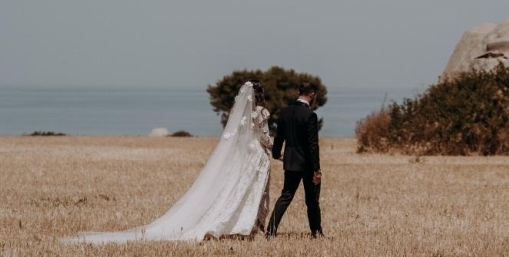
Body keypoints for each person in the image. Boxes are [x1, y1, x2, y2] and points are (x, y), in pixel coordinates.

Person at [63, 81, 273, 244]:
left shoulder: (239, 112)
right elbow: (264, 136)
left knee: (235, 188)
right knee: (251, 190)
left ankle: (235, 223)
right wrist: (275, 148)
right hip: (255, 154)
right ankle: (248, 225)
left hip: (241, 154)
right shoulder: (262, 112)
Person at [266, 82, 323, 238]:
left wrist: (277, 154)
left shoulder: (285, 112)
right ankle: (316, 232)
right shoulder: (310, 115)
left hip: (290, 162)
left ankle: (270, 231)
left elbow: (278, 138)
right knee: (312, 200)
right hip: (307, 164)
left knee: (285, 196)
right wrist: (316, 169)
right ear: (312, 95)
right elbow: (312, 145)